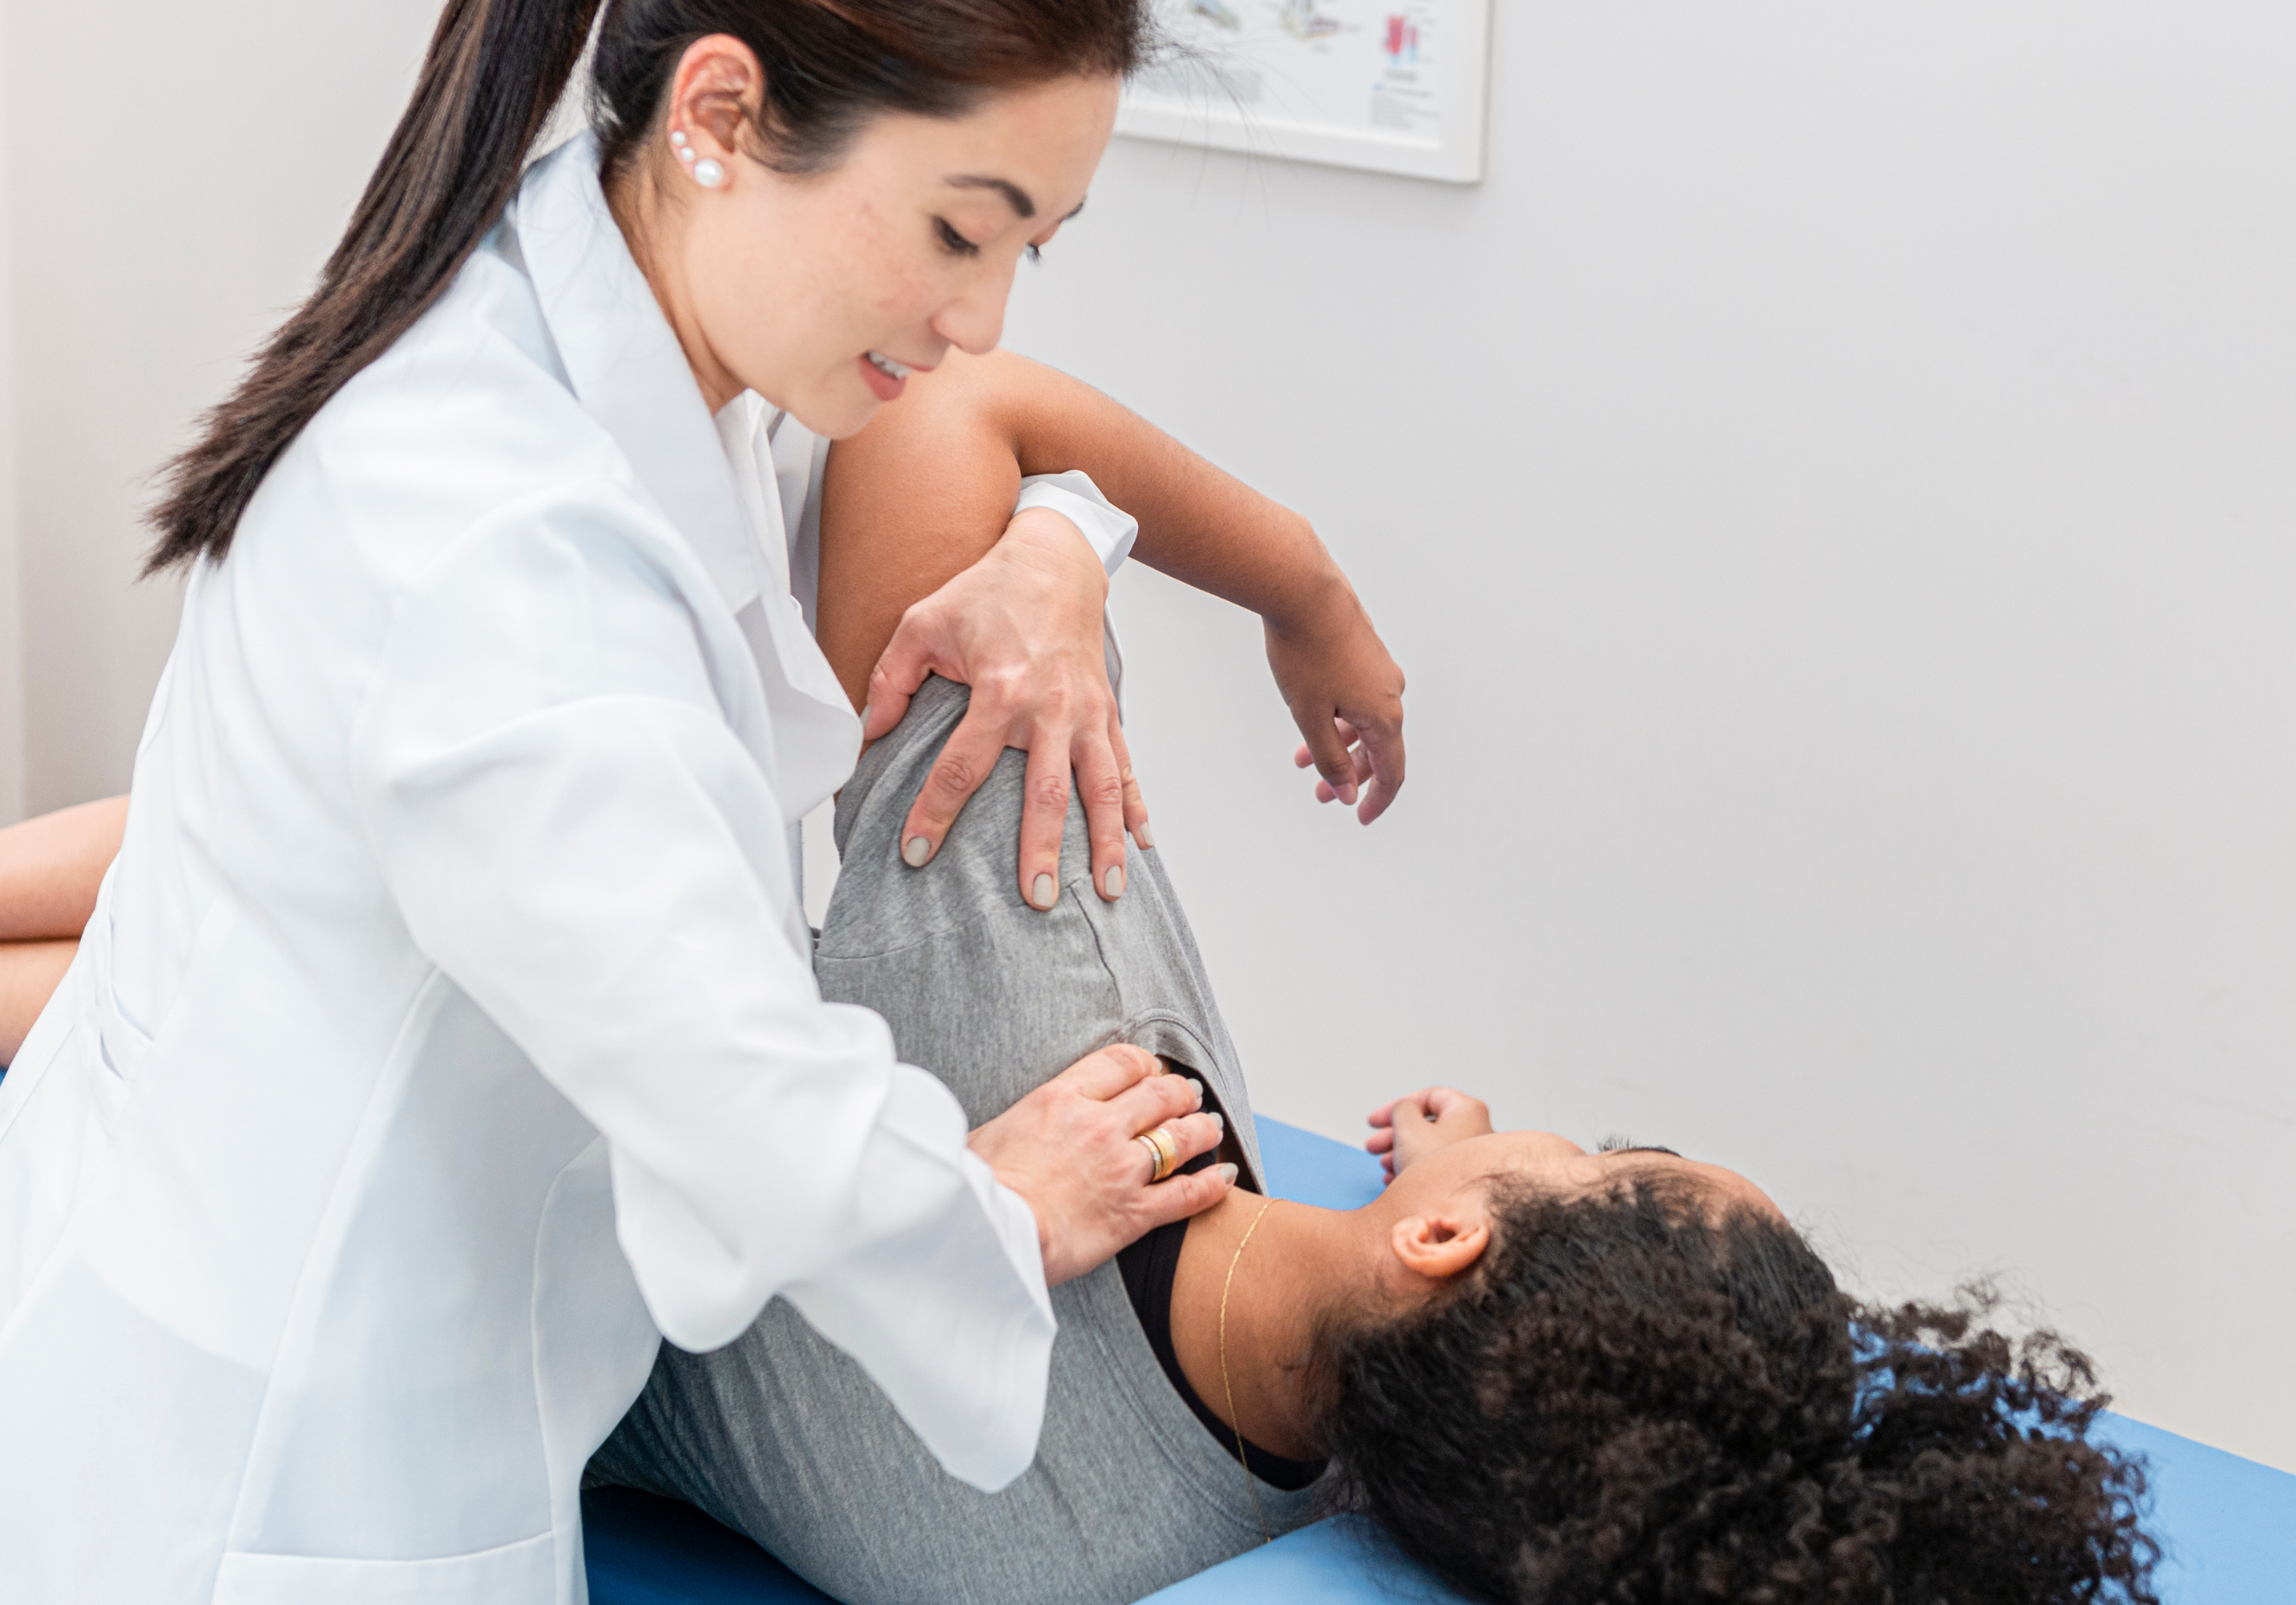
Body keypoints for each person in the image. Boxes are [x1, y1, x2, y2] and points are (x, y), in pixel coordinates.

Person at [0, 3, 1402, 1598]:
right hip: (272, 1478)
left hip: (209, 1247)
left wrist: (1060, 544)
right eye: (960, 230)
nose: (980, 315)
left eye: (1034, 250)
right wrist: (992, 1211)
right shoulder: (506, 558)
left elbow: (902, 468)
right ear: (720, 114)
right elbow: (751, 1134)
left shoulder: (598, 329)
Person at [582, 413, 2158, 1605]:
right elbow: (1385, 1351)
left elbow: (927, 401)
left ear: (1448, 1243)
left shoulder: (1062, 994)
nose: (1563, 1138)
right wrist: (1454, 1171)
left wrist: (1263, 576)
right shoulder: (1320, 1501)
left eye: (1605, 1159)